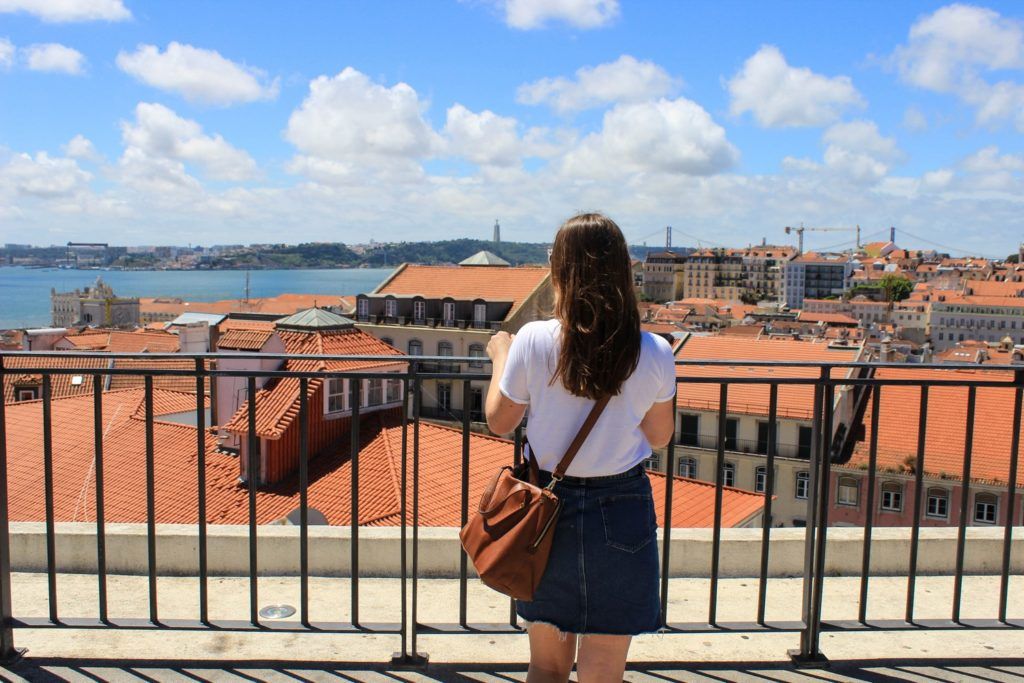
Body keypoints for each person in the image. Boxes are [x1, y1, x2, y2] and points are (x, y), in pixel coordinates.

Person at [485, 213, 676, 683]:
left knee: (547, 667)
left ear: (561, 270)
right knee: (605, 670)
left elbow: (499, 421)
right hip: (624, 506)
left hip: (549, 512)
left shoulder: (532, 340)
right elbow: (660, 437)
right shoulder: (655, 350)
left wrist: (500, 357)